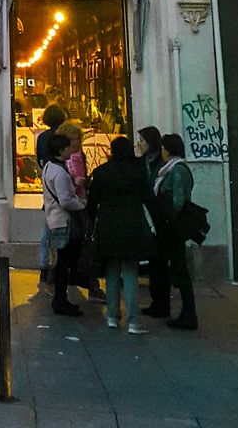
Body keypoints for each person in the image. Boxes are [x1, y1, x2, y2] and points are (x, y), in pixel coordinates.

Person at [88, 136, 159, 333]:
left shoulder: (102, 172)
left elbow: (92, 202)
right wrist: (159, 222)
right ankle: (134, 319)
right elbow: (149, 199)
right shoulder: (137, 172)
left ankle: (112, 315)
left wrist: (90, 226)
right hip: (131, 225)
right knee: (130, 272)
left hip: (108, 227)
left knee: (111, 271)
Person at [150, 133, 199, 330]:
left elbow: (178, 200)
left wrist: (168, 219)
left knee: (180, 269)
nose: (161, 151)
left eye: (163, 147)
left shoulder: (177, 170)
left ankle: (189, 314)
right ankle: (179, 310)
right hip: (169, 226)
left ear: (168, 149)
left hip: (173, 227)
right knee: (175, 267)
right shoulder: (172, 169)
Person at [42, 132, 87, 316]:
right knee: (64, 262)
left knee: (61, 261)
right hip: (63, 221)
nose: (71, 149)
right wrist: (81, 205)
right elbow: (65, 200)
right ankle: (60, 299)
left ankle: (60, 298)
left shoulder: (49, 168)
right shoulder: (59, 172)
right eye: (68, 146)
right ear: (61, 150)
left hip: (54, 219)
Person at [36, 104, 67, 289]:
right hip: (61, 182)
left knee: (48, 223)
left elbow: (39, 160)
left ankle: (44, 265)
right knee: (58, 225)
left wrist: (44, 175)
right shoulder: (63, 138)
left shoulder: (42, 138)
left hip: (48, 182)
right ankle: (56, 265)